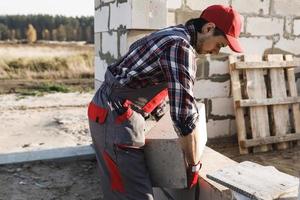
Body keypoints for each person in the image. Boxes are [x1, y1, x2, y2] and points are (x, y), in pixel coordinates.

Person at [88, 4, 243, 200]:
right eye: (219, 44)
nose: (216, 52)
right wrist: (194, 165)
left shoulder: (174, 34)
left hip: (110, 112)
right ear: (208, 28)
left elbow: (147, 81)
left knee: (121, 191)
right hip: (113, 117)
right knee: (133, 195)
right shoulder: (181, 47)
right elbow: (184, 118)